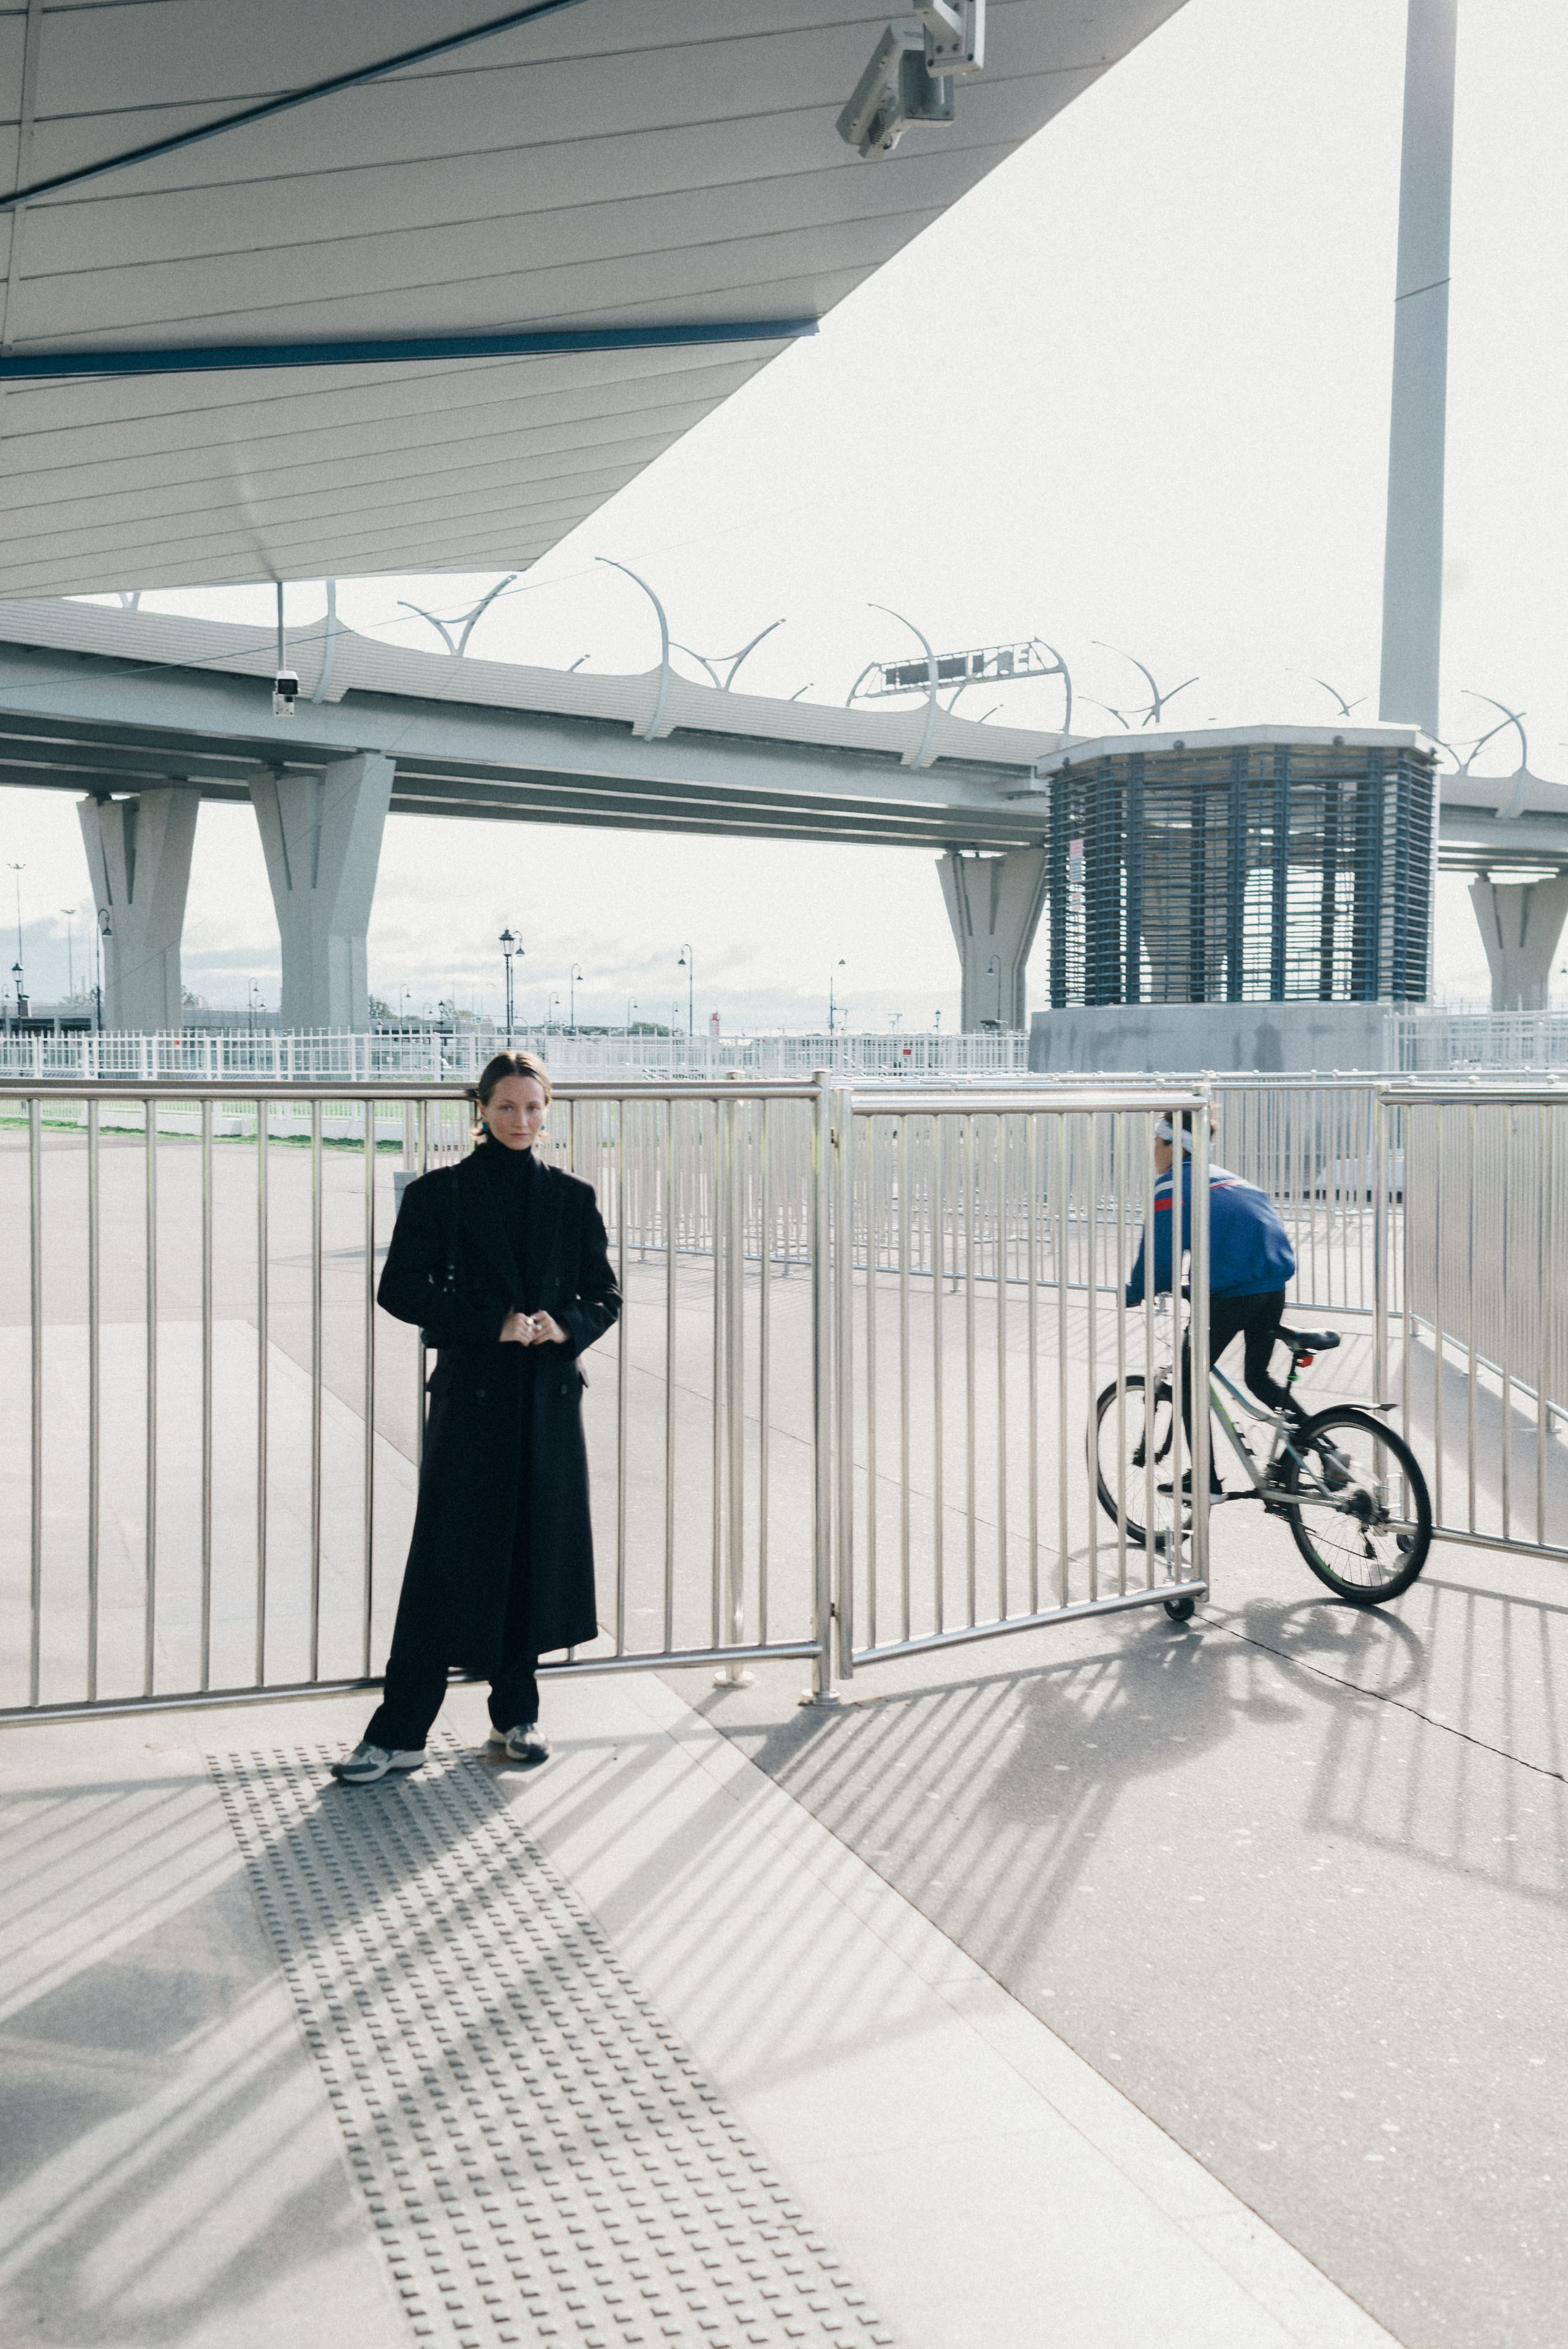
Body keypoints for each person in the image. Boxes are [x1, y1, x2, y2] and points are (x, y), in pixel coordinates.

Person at [331, 1050, 620, 1785]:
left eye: (533, 1107)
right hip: (473, 1398)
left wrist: (564, 1325)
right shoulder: (441, 1194)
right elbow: (400, 1288)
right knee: (444, 1560)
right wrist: (492, 1322)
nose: (521, 1120)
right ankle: (400, 1731)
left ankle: (515, 1714)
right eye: (507, 1107)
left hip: (548, 1402)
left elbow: (604, 1295)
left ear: (547, 1111)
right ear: (481, 1112)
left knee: (529, 1551)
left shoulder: (573, 1196)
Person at [1123, 1108, 1298, 1491]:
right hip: (1272, 1286)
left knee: (1188, 1380)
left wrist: (1135, 1292)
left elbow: (1159, 1258)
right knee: (1257, 1377)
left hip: (1232, 1294)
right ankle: (1321, 1446)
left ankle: (1204, 1480)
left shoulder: (1172, 1186)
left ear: (1173, 1146)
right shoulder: (1234, 1180)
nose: (1153, 1152)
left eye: (1156, 1143)